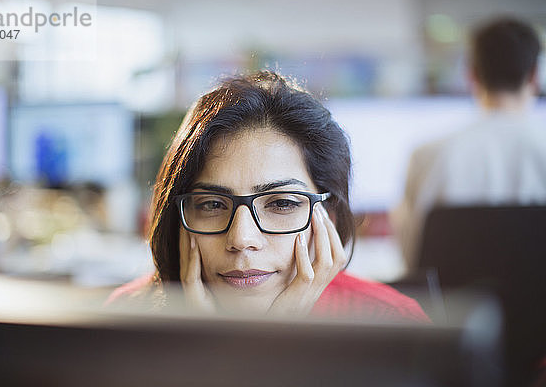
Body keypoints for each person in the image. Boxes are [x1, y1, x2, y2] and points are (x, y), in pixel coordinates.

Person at [110, 71, 428, 322]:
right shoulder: (126, 318)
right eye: (211, 204)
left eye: (282, 203)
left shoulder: (392, 324)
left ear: (328, 216)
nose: (242, 239)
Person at [391, 17, 546, 270]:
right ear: (534, 76)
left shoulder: (426, 156)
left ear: (472, 74)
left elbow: (413, 262)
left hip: (455, 308)